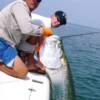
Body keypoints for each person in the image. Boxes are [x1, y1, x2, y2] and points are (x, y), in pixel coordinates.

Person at [0, 0, 44, 78]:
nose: (35, 1)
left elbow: (24, 35)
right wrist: (43, 31)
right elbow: (27, 29)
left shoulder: (27, 13)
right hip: (2, 42)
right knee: (22, 72)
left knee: (35, 34)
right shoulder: (19, 5)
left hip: (8, 46)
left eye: (38, 0)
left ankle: (29, 62)